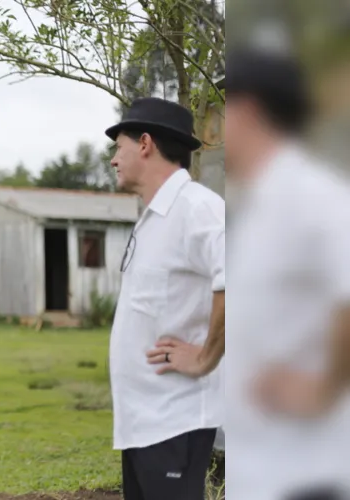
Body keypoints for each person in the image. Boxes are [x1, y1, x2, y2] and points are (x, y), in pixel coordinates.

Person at [220, 45, 350, 500]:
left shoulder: (314, 195)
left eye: (224, 110)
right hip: (258, 469)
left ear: (249, 112)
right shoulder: (254, 205)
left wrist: (326, 391)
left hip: (303, 475)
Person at [104, 97, 226, 500]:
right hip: (143, 422)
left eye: (117, 147)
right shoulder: (153, 218)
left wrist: (207, 356)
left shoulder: (198, 209)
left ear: (144, 144)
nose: (113, 160)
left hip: (176, 419)